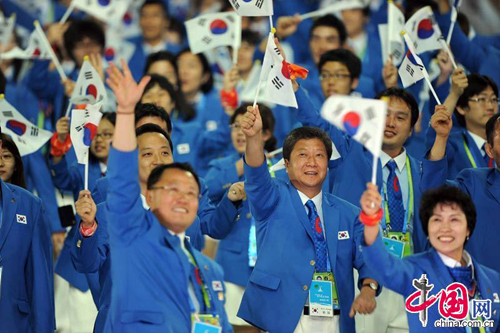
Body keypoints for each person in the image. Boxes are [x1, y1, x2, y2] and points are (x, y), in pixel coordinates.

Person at [102, 59, 232, 332]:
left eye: (189, 193)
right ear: (150, 197)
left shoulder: (210, 271)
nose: (182, 198)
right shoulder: (131, 233)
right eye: (171, 190)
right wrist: (125, 112)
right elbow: (122, 178)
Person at [237, 105, 379, 332]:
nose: (312, 162)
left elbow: (369, 260)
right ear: (287, 165)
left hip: (335, 319)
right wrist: (253, 138)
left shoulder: (349, 213)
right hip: (283, 317)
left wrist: (369, 289)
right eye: (303, 155)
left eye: (319, 155)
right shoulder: (271, 198)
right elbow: (255, 173)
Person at [359, 183, 500, 332]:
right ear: (427, 230)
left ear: (468, 229)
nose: (445, 228)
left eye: (454, 220)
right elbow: (384, 266)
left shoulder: (493, 279)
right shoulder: (415, 270)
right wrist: (371, 222)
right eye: (437, 220)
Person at [205, 103, 279, 332]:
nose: (239, 131)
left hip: (271, 263)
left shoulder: (279, 165)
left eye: (244, 125)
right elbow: (206, 188)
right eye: (235, 126)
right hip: (233, 263)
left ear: (265, 133)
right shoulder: (222, 165)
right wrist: (241, 165)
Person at [421, 109, 500, 274]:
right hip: (482, 291)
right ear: (489, 150)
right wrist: (441, 138)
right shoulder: (474, 182)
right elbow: (435, 194)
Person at [0, 127, 55, 333]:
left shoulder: (31, 205)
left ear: (17, 164)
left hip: (13, 319)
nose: (1, 162)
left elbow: (40, 275)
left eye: (6, 156)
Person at [426, 73, 498, 178]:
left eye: (494, 99)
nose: (490, 106)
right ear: (461, 108)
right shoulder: (453, 144)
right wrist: (454, 94)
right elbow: (435, 136)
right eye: (482, 99)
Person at [128, 0, 184, 81]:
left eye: (155, 15)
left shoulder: (179, 54)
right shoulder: (125, 49)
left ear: (166, 22)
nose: (149, 21)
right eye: (144, 16)